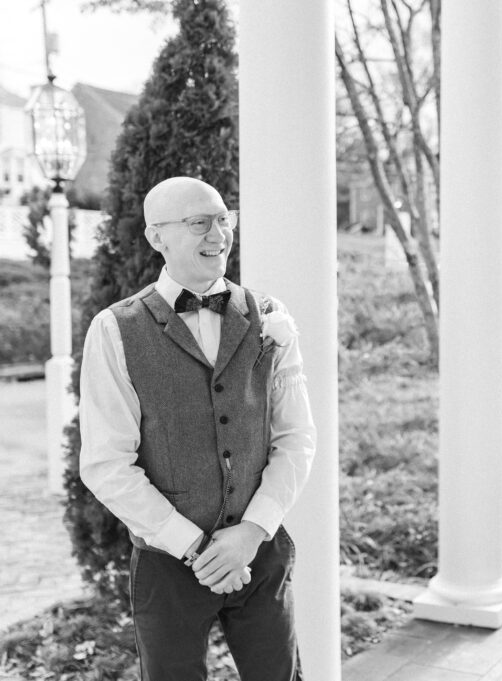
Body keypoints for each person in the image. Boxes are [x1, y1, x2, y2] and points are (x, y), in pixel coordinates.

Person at [79, 176, 315, 681]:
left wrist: (252, 531)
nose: (218, 233)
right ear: (156, 237)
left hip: (259, 553)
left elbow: (296, 438)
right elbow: (105, 462)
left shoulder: (269, 316)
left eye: (223, 219)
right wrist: (196, 545)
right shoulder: (115, 329)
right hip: (169, 564)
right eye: (198, 222)